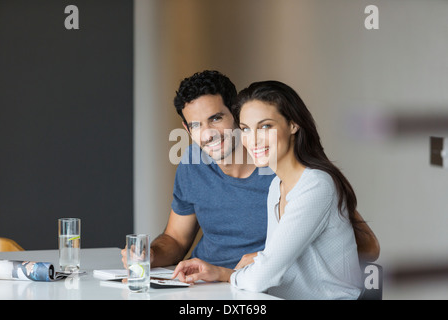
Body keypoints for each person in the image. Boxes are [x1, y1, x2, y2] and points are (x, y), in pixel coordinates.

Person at [122, 70, 379, 271]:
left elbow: (367, 247)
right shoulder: (191, 163)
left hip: (260, 287)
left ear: (237, 114)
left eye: (216, 118)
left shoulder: (286, 168)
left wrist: (274, 261)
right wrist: (151, 254)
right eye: (196, 125)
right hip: (202, 284)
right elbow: (176, 240)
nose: (209, 134)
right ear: (187, 129)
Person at [172, 80, 367, 299]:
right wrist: (220, 272)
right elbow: (273, 265)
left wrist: (241, 270)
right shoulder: (277, 185)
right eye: (246, 129)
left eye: (265, 126)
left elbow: (261, 277)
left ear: (293, 124)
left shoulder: (316, 185)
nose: (253, 139)